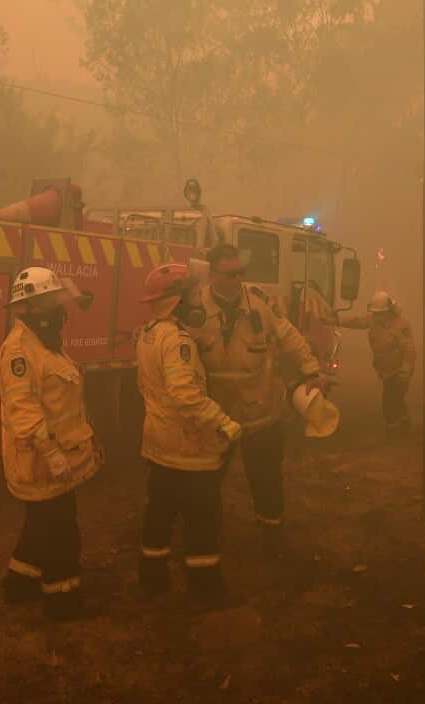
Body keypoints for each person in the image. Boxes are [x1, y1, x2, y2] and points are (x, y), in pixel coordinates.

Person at [189, 243, 324, 555]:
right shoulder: (193, 309)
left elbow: (289, 336)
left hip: (261, 413)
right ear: (211, 274)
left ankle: (271, 533)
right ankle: (206, 536)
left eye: (240, 272)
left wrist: (311, 369)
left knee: (266, 481)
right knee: (205, 482)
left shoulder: (259, 305)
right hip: (216, 418)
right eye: (229, 273)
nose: (237, 279)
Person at [0, 266, 102, 620]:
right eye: (51, 303)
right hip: (43, 461)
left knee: (41, 522)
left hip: (56, 458)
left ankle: (18, 583)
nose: (60, 310)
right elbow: (23, 410)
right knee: (61, 531)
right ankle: (62, 600)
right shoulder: (19, 352)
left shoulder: (44, 344)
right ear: (29, 308)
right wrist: (53, 454)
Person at [135, 263, 242, 604]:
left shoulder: (150, 331)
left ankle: (152, 578)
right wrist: (223, 422)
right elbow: (185, 394)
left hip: (159, 444)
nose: (198, 299)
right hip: (187, 447)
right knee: (203, 518)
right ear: (175, 300)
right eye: (192, 293)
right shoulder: (177, 340)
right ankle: (206, 588)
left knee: (160, 512)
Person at [335, 291, 416, 435]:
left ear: (389, 312)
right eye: (375, 313)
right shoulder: (373, 320)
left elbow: (409, 348)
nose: (377, 316)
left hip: (400, 371)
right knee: (396, 399)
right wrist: (337, 320)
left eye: (380, 314)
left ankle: (392, 428)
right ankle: (404, 422)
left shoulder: (400, 325)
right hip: (386, 370)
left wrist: (406, 368)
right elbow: (357, 322)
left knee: (390, 400)